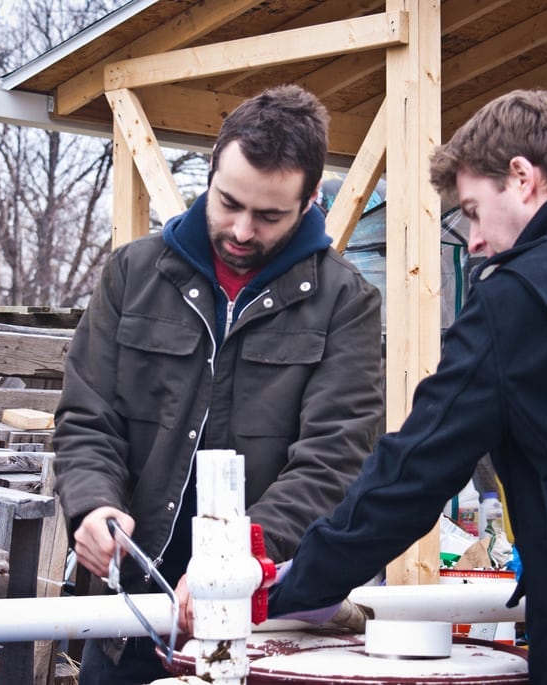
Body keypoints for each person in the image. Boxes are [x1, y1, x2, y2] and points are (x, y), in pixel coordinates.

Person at [267, 88, 547, 685]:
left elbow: (413, 470)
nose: (471, 239)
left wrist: (293, 588)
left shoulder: (517, 298)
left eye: (470, 208)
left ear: (521, 178)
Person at [52, 84, 385, 685]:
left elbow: (334, 461)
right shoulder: (131, 274)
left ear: (311, 200)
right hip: (128, 619)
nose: (240, 228)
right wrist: (93, 501)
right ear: (210, 170)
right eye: (228, 201)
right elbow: (87, 416)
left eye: (269, 215)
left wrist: (235, 562)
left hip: (264, 630)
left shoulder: (347, 303)